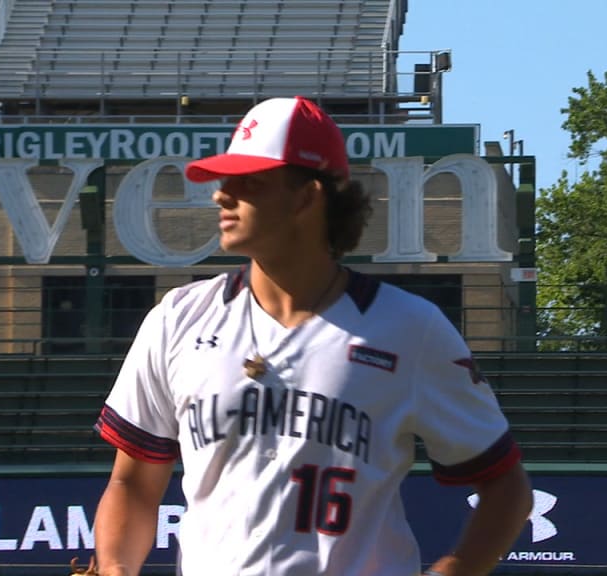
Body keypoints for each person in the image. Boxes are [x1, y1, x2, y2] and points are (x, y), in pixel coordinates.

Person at [92, 96, 532, 576]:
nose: (222, 194)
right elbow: (132, 484)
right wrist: (114, 568)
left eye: (250, 181)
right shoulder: (179, 318)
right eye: (225, 179)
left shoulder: (410, 328)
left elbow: (506, 488)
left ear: (308, 195)